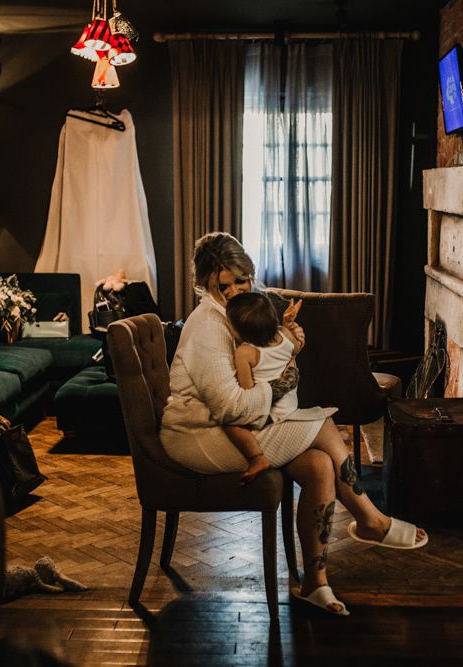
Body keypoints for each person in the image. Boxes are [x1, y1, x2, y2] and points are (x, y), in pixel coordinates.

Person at [160, 232, 427, 617]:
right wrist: (283, 371)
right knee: (322, 424)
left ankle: (315, 583)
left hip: (239, 427)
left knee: (320, 466)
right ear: (205, 286)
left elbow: (277, 382)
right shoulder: (208, 327)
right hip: (198, 436)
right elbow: (234, 408)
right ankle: (370, 519)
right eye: (224, 286)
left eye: (242, 279)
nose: (235, 291)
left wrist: (289, 348)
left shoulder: (251, 310)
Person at [223, 291, 304, 485]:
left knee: (230, 424)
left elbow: (249, 391)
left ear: (237, 331)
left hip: (269, 413)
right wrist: (289, 328)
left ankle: (256, 458)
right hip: (291, 405)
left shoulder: (244, 353)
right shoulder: (284, 334)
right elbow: (296, 350)